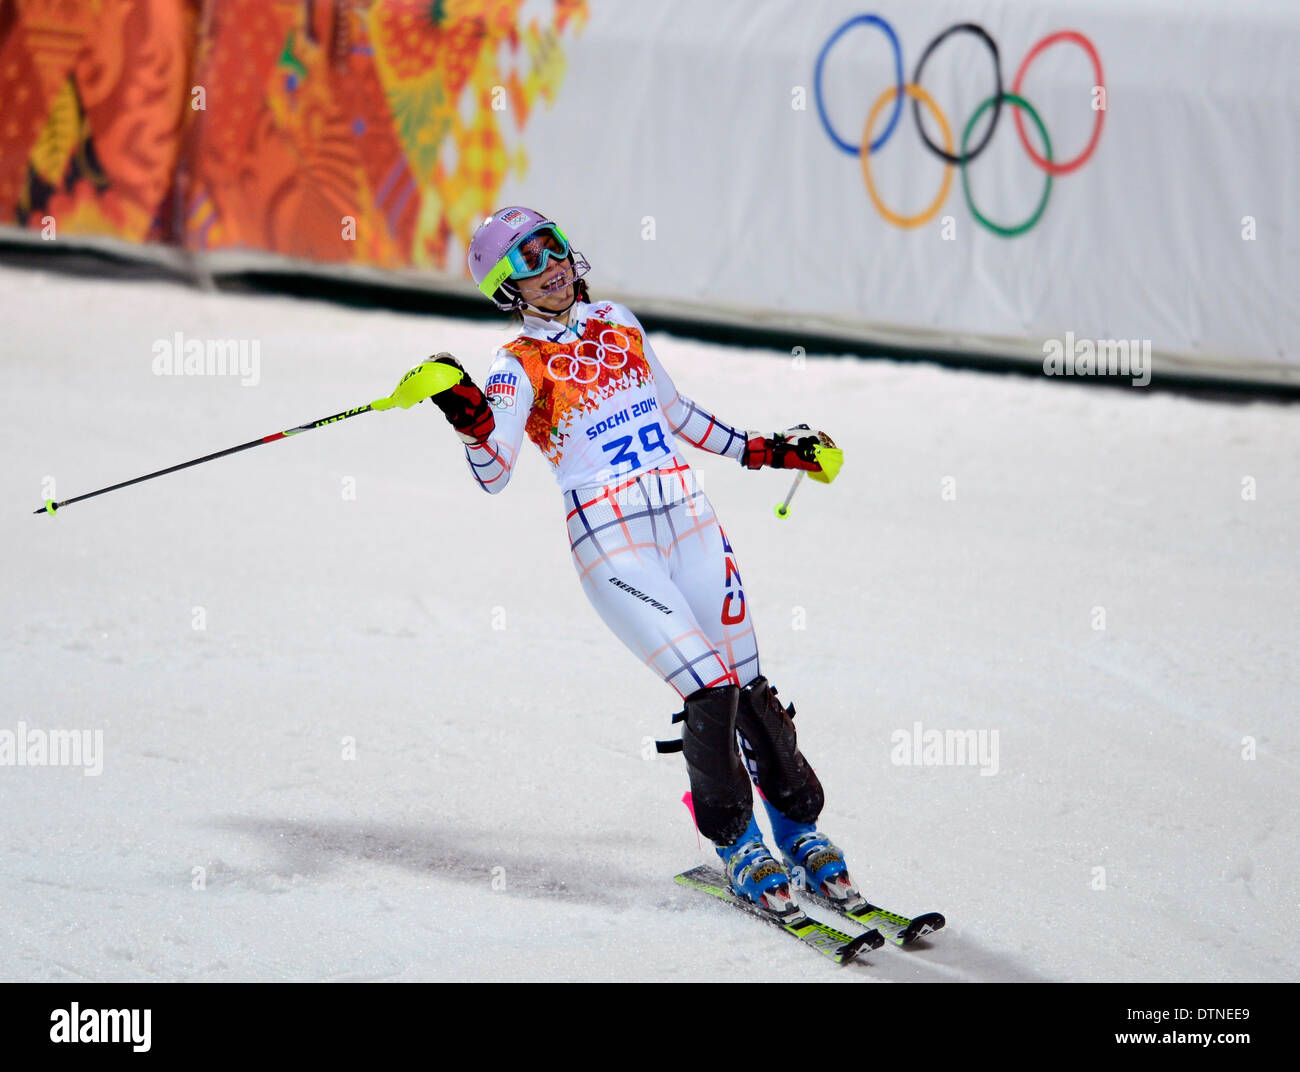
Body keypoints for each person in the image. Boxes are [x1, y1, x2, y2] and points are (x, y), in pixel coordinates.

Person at [424, 205, 851, 918]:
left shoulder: (619, 320)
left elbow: (676, 412)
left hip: (690, 520)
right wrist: (465, 411)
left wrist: (766, 448)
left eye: (552, 246)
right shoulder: (515, 365)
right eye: (527, 261)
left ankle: (799, 830)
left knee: (750, 685)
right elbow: (493, 470)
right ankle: (739, 843)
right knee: (711, 689)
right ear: (507, 288)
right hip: (613, 541)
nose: (551, 266)